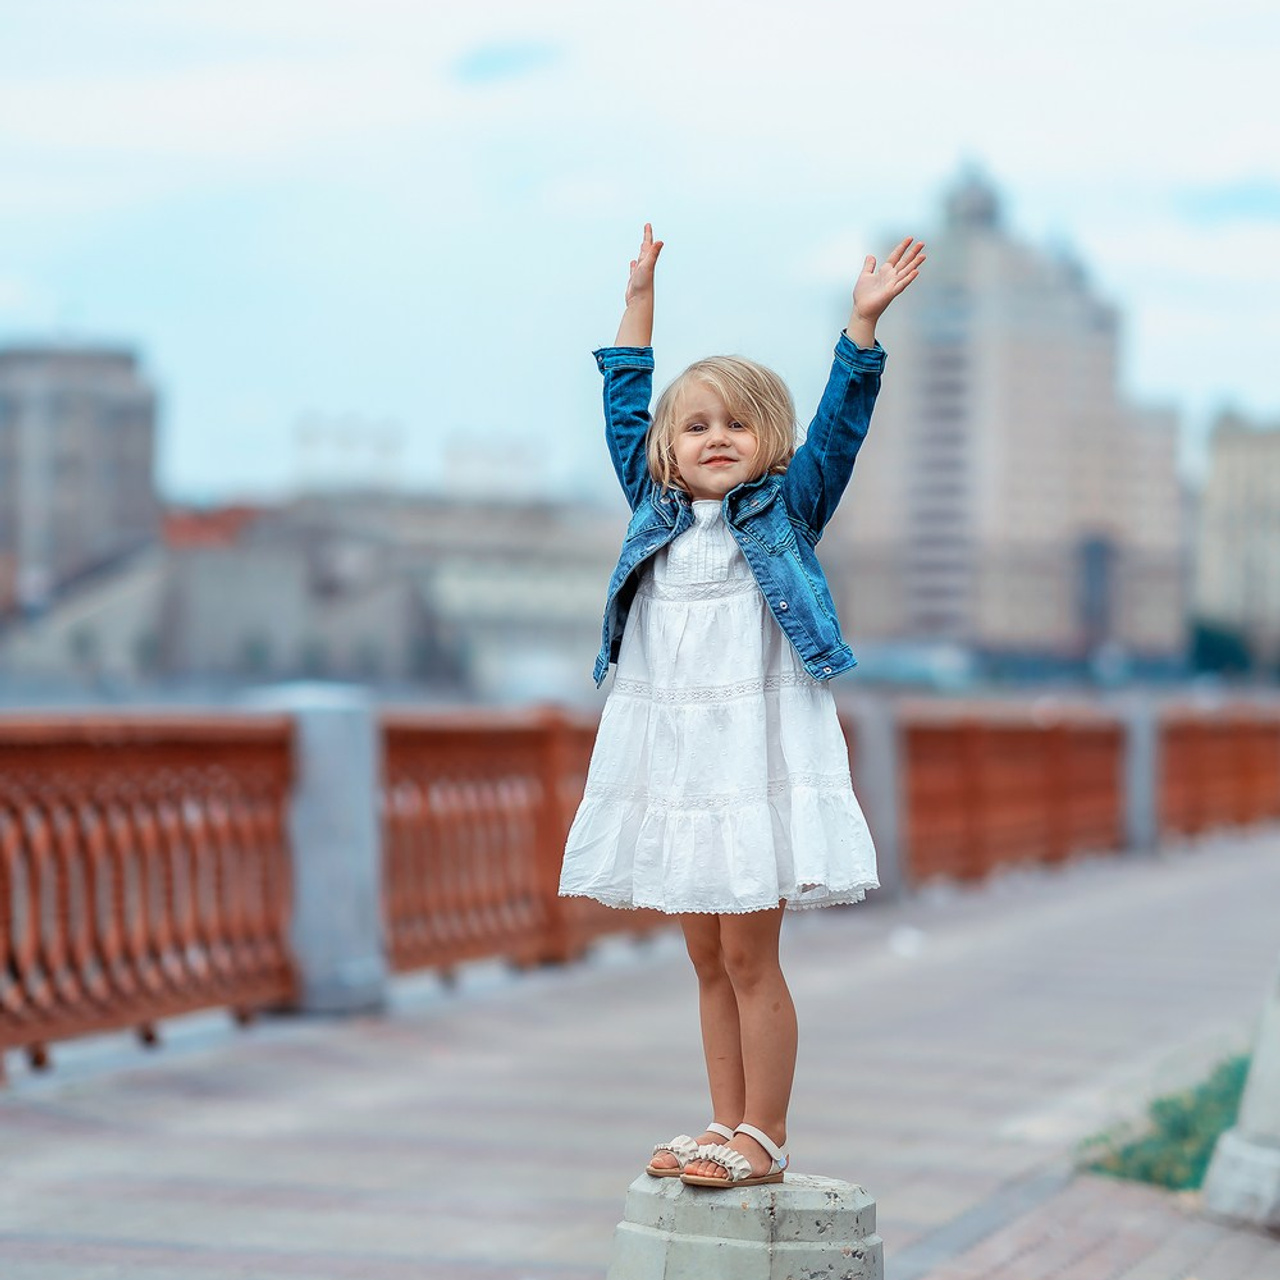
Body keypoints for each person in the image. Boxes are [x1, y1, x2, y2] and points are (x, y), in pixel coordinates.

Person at [559, 223, 925, 1188]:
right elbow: (625, 393)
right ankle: (726, 1124)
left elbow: (843, 423)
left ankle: (766, 1133)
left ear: (769, 444)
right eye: (696, 427)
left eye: (737, 425)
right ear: (667, 453)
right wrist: (638, 297)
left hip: (751, 765)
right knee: (707, 960)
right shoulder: (653, 509)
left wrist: (861, 327)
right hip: (678, 765)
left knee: (753, 959)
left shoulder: (787, 509)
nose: (715, 439)